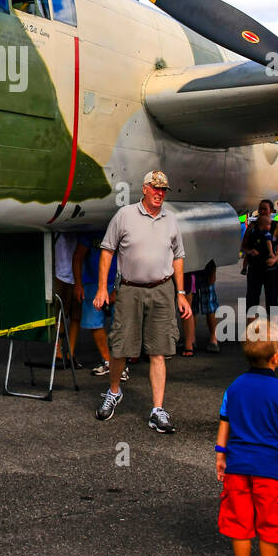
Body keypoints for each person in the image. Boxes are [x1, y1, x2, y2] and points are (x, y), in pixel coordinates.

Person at [93, 170, 192, 434]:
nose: (160, 193)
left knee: (159, 350)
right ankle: (114, 391)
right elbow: (107, 251)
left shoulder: (170, 220)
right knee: (120, 347)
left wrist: (181, 294)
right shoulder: (124, 215)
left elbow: (178, 257)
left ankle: (157, 409)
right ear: (145, 189)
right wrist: (102, 288)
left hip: (162, 289)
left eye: (164, 190)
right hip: (129, 289)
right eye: (156, 188)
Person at [216, 318, 278, 556]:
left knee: (240, 520)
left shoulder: (234, 386)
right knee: (271, 522)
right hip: (269, 469)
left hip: (237, 465)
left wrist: (220, 453)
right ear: (276, 356)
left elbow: (225, 421)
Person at [72, 232, 115, 376]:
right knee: (93, 323)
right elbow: (78, 257)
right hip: (92, 284)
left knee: (122, 326)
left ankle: (121, 364)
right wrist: (78, 284)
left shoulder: (120, 227)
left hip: (116, 283)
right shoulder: (90, 230)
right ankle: (108, 361)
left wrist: (119, 286)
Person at [241, 199, 278, 312]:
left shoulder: (276, 226)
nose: (262, 211)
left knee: (272, 301)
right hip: (254, 269)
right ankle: (250, 328)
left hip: (271, 270)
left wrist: (275, 259)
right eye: (260, 208)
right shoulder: (252, 226)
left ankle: (273, 327)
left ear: (271, 210)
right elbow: (243, 245)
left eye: (264, 209)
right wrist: (249, 251)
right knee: (251, 300)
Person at [53, 231, 82, 364]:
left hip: (78, 277)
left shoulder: (82, 230)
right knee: (59, 315)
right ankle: (58, 350)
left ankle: (71, 352)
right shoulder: (58, 230)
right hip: (60, 275)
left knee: (76, 316)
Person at [181, 260, 220, 356]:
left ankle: (213, 338)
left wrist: (213, 271)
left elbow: (211, 251)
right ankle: (192, 338)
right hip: (189, 270)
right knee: (191, 306)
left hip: (206, 268)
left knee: (210, 305)